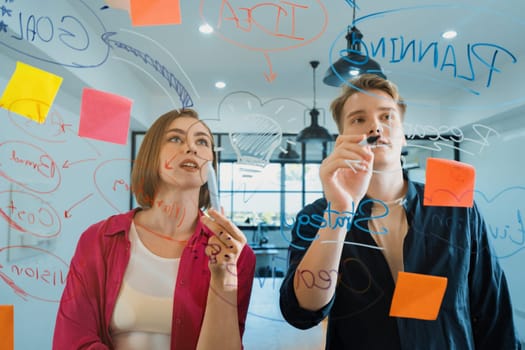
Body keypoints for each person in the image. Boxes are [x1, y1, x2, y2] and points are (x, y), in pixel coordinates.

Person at [279, 74, 521, 349]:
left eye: (387, 117)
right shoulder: (318, 215)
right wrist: (340, 211)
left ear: (403, 134)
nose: (375, 126)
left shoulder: (455, 206)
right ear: (342, 139)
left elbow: (491, 307)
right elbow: (302, 311)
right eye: (358, 119)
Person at [53, 108, 256, 349]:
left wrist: (224, 276)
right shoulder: (99, 239)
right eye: (175, 138)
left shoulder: (236, 255)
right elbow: (72, 341)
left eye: (202, 141)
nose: (191, 148)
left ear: (211, 164)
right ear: (152, 155)